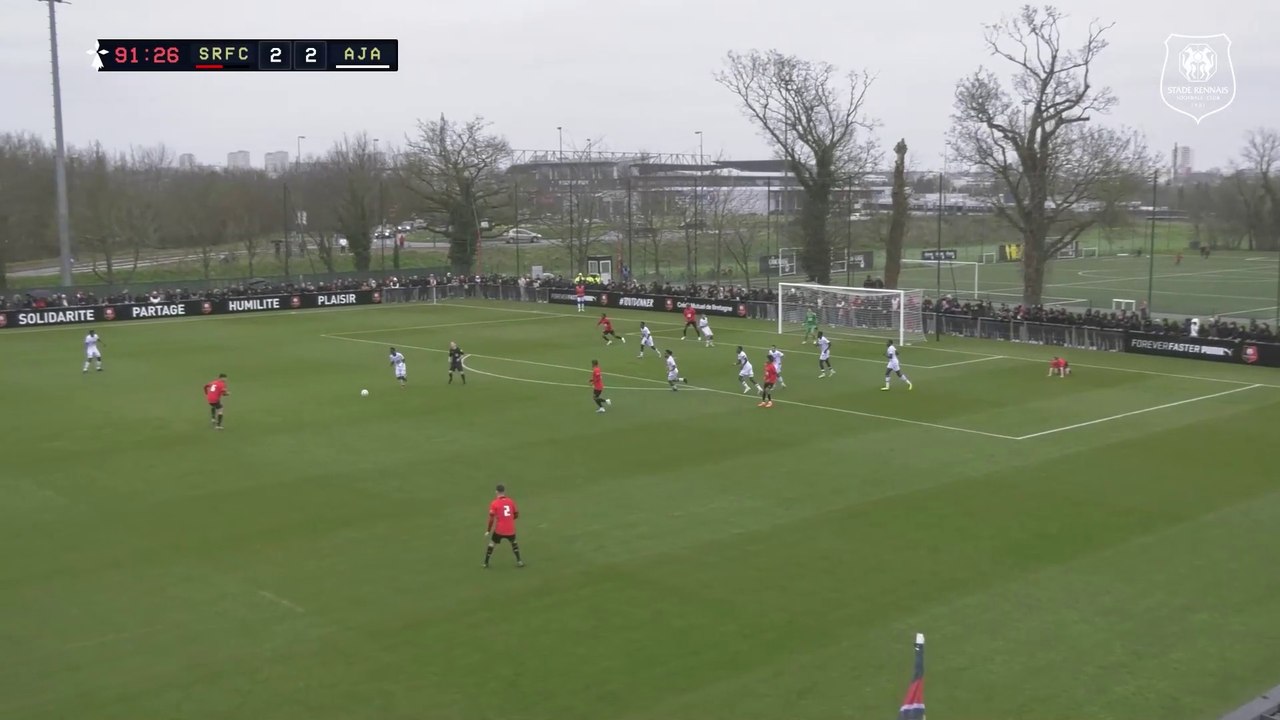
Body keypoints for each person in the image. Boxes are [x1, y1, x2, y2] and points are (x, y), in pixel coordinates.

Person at [484, 484, 524, 569]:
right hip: (510, 529)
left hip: (500, 529)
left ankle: (486, 563)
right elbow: (516, 514)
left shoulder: (494, 503)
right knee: (513, 542)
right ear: (504, 492)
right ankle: (519, 561)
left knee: (492, 543)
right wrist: (510, 520)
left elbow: (491, 519)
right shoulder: (510, 501)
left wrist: (488, 530)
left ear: (496, 492)